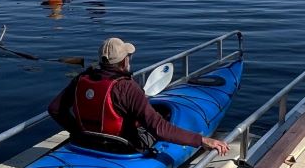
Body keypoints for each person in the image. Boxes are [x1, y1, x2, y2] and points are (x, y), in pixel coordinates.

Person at [48, 37, 231, 154]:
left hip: (86, 140)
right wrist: (201, 140)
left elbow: (55, 109)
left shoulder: (81, 79)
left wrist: (78, 131)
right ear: (125, 61)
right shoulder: (127, 87)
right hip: (123, 146)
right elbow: (159, 128)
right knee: (166, 117)